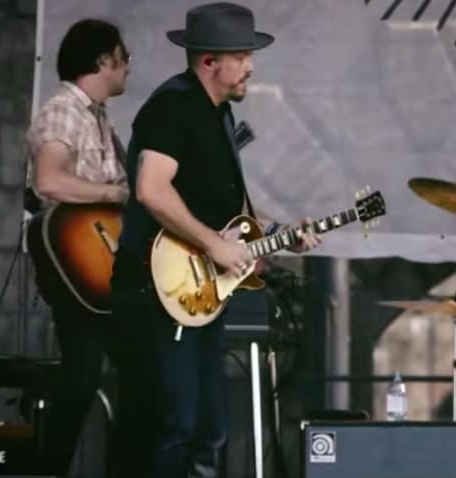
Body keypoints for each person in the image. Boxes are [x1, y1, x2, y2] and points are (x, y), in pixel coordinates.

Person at [111, 3, 318, 476]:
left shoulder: (218, 115)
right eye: (242, 55)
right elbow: (150, 189)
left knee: (209, 430)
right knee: (173, 427)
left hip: (196, 294)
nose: (250, 67)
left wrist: (281, 234)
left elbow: (228, 216)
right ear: (210, 61)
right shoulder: (172, 107)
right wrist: (214, 245)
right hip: (156, 290)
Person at [25, 19, 130, 476]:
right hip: (74, 261)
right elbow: (49, 180)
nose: (129, 66)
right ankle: (49, 469)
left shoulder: (99, 118)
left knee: (130, 372)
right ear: (104, 60)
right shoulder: (64, 110)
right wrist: (113, 194)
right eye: (124, 57)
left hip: (104, 264)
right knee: (83, 372)